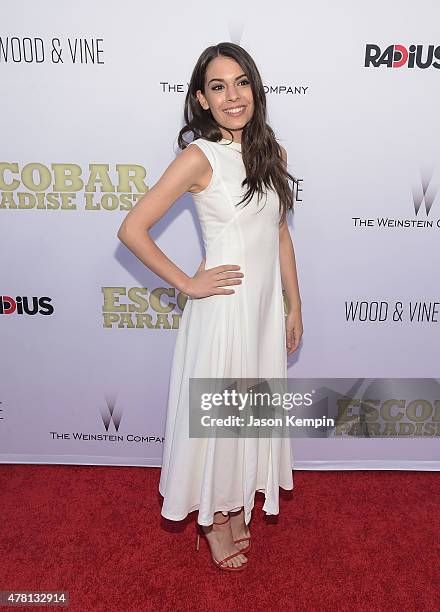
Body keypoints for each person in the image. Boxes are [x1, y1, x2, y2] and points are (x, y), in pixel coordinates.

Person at [117, 42, 303, 572]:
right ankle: (216, 520)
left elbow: (280, 234)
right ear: (202, 99)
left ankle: (235, 498)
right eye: (218, 87)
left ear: (255, 89)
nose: (232, 95)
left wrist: (294, 303)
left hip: (263, 312)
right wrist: (188, 284)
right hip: (224, 313)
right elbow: (133, 229)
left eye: (241, 82)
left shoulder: (273, 154)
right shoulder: (200, 157)